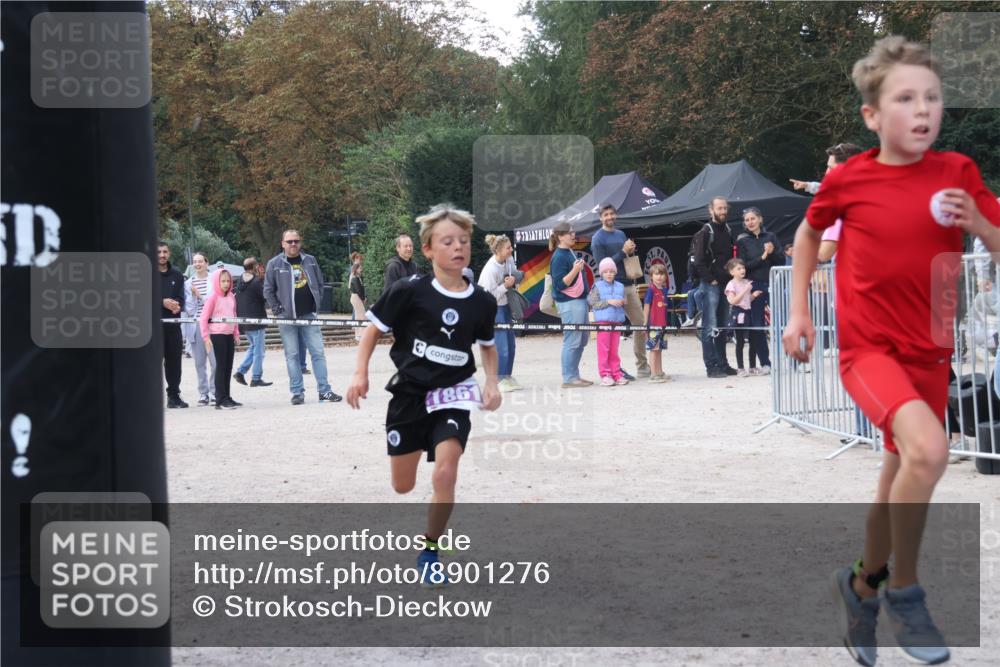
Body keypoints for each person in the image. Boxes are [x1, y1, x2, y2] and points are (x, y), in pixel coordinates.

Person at [782, 36, 1000, 667]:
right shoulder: (851, 177)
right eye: (905, 98)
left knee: (896, 482)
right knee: (931, 450)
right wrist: (799, 308)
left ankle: (858, 589)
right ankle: (904, 592)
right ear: (873, 116)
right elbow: (807, 230)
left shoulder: (957, 172)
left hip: (930, 353)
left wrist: (982, 227)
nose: (923, 109)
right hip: (869, 352)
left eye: (932, 97)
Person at [346, 204, 501, 587]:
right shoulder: (408, 290)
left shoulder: (482, 301)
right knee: (403, 485)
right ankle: (413, 481)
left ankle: (430, 550)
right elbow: (372, 330)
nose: (457, 247)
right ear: (428, 249)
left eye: (463, 241)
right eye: (447, 241)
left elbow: (487, 346)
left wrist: (492, 382)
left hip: (454, 393)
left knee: (446, 472)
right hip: (410, 394)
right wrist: (360, 372)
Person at [264, 229, 341, 405]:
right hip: (287, 318)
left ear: (301, 242)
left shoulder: (310, 261)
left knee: (318, 353)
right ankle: (297, 392)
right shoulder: (274, 264)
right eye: (289, 241)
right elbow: (268, 290)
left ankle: (324, 391)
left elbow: (320, 284)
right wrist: (277, 310)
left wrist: (316, 305)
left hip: (309, 315)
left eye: (296, 241)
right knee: (292, 355)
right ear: (282, 243)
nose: (293, 244)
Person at [590, 204, 649, 379]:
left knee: (640, 324)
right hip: (610, 289)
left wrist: (629, 250)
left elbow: (625, 258)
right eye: (606, 215)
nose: (609, 217)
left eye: (612, 214)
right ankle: (614, 370)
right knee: (611, 330)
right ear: (600, 218)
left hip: (629, 286)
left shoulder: (620, 234)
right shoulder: (597, 238)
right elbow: (602, 265)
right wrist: (623, 252)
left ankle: (642, 367)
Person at [691, 197, 737, 378]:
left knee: (723, 327)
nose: (723, 211)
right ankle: (711, 367)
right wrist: (710, 280)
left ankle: (723, 364)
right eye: (719, 208)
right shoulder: (705, 231)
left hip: (726, 285)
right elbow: (698, 261)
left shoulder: (728, 229)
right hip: (711, 285)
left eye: (725, 207)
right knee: (709, 327)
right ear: (711, 210)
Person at [736, 207, 783, 373]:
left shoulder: (771, 237)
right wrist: (762, 257)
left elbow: (781, 261)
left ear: (760, 219)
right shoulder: (742, 240)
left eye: (753, 219)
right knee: (757, 324)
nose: (750, 222)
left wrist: (771, 253)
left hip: (773, 284)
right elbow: (743, 267)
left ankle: (794, 361)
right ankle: (765, 363)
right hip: (754, 286)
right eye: (747, 220)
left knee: (782, 322)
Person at [478, 234, 524, 392]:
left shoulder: (509, 260)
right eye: (508, 248)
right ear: (498, 250)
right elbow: (488, 296)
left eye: (511, 246)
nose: (511, 250)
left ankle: (507, 376)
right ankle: (498, 379)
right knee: (501, 345)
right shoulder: (490, 269)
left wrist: (517, 277)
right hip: (492, 308)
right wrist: (505, 286)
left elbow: (513, 274)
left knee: (511, 344)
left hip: (505, 306)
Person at [549, 221, 593, 388]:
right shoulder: (559, 257)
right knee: (572, 340)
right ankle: (568, 378)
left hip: (579, 301)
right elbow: (559, 285)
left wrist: (587, 299)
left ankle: (574, 375)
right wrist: (575, 270)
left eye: (574, 232)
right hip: (569, 303)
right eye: (570, 233)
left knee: (581, 340)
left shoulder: (569, 252)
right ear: (561, 237)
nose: (574, 235)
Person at [199, 269, 241, 410]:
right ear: (217, 282)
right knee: (220, 367)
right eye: (223, 281)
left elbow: (234, 315)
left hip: (229, 335)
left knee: (228, 367)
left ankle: (227, 396)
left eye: (228, 281)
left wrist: (236, 333)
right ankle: (220, 399)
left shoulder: (231, 297)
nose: (226, 284)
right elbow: (203, 318)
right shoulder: (213, 298)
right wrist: (206, 337)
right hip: (217, 335)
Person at [587, 257, 628, 386]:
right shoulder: (597, 286)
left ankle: (616, 373)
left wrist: (623, 302)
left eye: (611, 271)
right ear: (601, 273)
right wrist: (608, 302)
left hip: (617, 322)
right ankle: (605, 374)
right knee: (604, 349)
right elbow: (592, 303)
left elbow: (625, 300)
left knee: (614, 349)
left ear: (615, 272)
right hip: (603, 323)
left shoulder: (620, 286)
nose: (609, 274)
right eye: (606, 271)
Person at [233, 257, 273, 388]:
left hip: (244, 321)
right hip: (256, 320)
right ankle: (256, 377)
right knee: (259, 351)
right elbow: (263, 298)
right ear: (254, 267)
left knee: (253, 347)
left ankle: (240, 372)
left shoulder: (239, 280)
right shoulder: (256, 282)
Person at [183, 252, 216, 405]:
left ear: (206, 263)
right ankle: (203, 394)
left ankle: (215, 391)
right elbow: (189, 308)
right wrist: (194, 296)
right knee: (199, 363)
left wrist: (200, 296)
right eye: (195, 262)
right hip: (196, 324)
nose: (197, 264)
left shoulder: (214, 279)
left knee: (215, 362)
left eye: (200, 261)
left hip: (213, 324)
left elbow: (214, 303)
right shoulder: (188, 283)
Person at [158, 242, 188, 408]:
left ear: (169, 253)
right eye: (159, 252)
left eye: (165, 252)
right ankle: (150, 398)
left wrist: (177, 305)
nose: (162, 255)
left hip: (173, 328)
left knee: (175, 363)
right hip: (153, 329)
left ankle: (174, 396)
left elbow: (182, 299)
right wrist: (162, 302)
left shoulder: (177, 274)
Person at [724, 258, 762, 377]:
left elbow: (747, 300)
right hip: (738, 313)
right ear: (732, 272)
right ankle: (740, 368)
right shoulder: (731, 284)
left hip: (748, 312)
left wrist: (753, 296)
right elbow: (733, 301)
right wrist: (745, 290)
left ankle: (752, 366)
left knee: (753, 340)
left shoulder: (747, 282)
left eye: (743, 268)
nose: (742, 270)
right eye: (739, 268)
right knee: (740, 342)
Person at [643, 264, 671, 383]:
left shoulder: (664, 290)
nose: (659, 277)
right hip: (653, 324)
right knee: (653, 349)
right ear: (651, 276)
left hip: (663, 324)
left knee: (659, 349)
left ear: (665, 276)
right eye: (656, 274)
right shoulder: (650, 290)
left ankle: (659, 372)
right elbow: (646, 306)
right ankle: (653, 374)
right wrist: (645, 323)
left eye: (661, 274)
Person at [349, 259, 367, 343]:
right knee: (362, 317)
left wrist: (364, 297)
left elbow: (361, 289)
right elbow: (358, 290)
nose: (361, 269)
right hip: (356, 297)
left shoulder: (359, 278)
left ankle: (358, 336)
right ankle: (361, 336)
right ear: (356, 269)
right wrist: (363, 298)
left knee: (358, 317)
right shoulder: (355, 278)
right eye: (360, 268)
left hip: (357, 297)